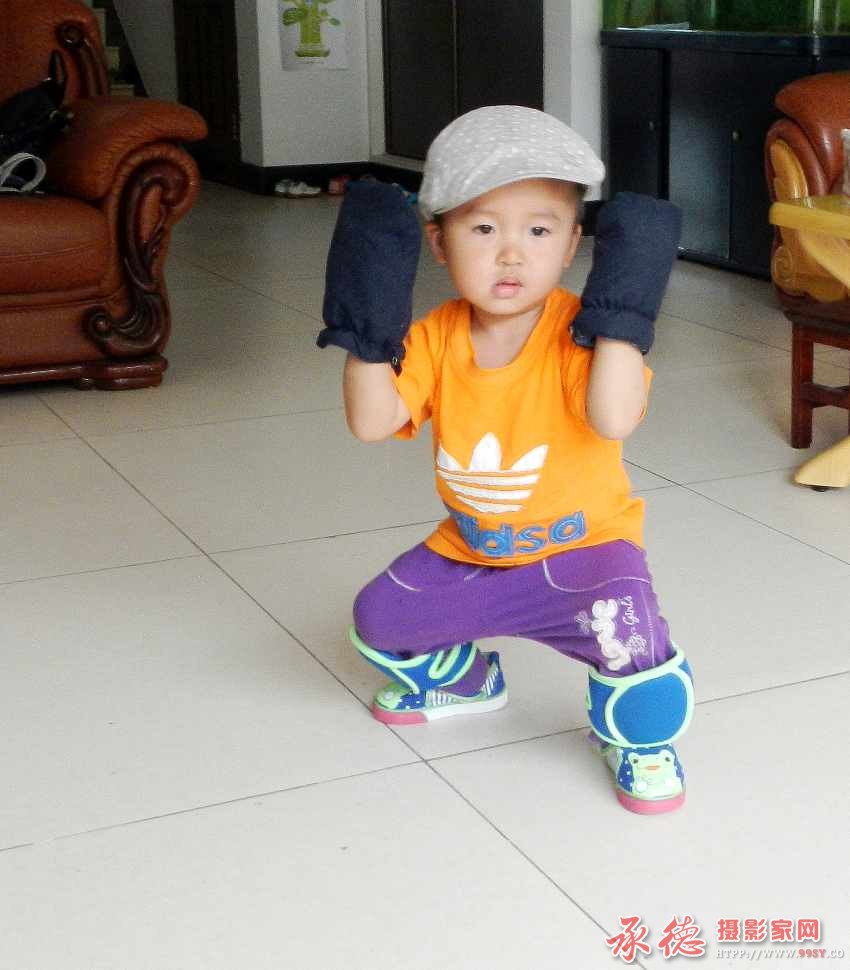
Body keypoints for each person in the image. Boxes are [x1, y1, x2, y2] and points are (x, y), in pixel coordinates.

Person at [317, 105, 692, 814]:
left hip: (585, 552)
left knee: (641, 663)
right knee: (378, 623)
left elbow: (614, 417)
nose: (511, 254)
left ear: (574, 243)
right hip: (475, 552)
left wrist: (622, 318)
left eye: (539, 231)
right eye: (484, 229)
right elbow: (372, 422)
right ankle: (469, 681)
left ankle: (639, 744)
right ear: (438, 242)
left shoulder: (580, 333)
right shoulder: (436, 336)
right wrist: (366, 327)